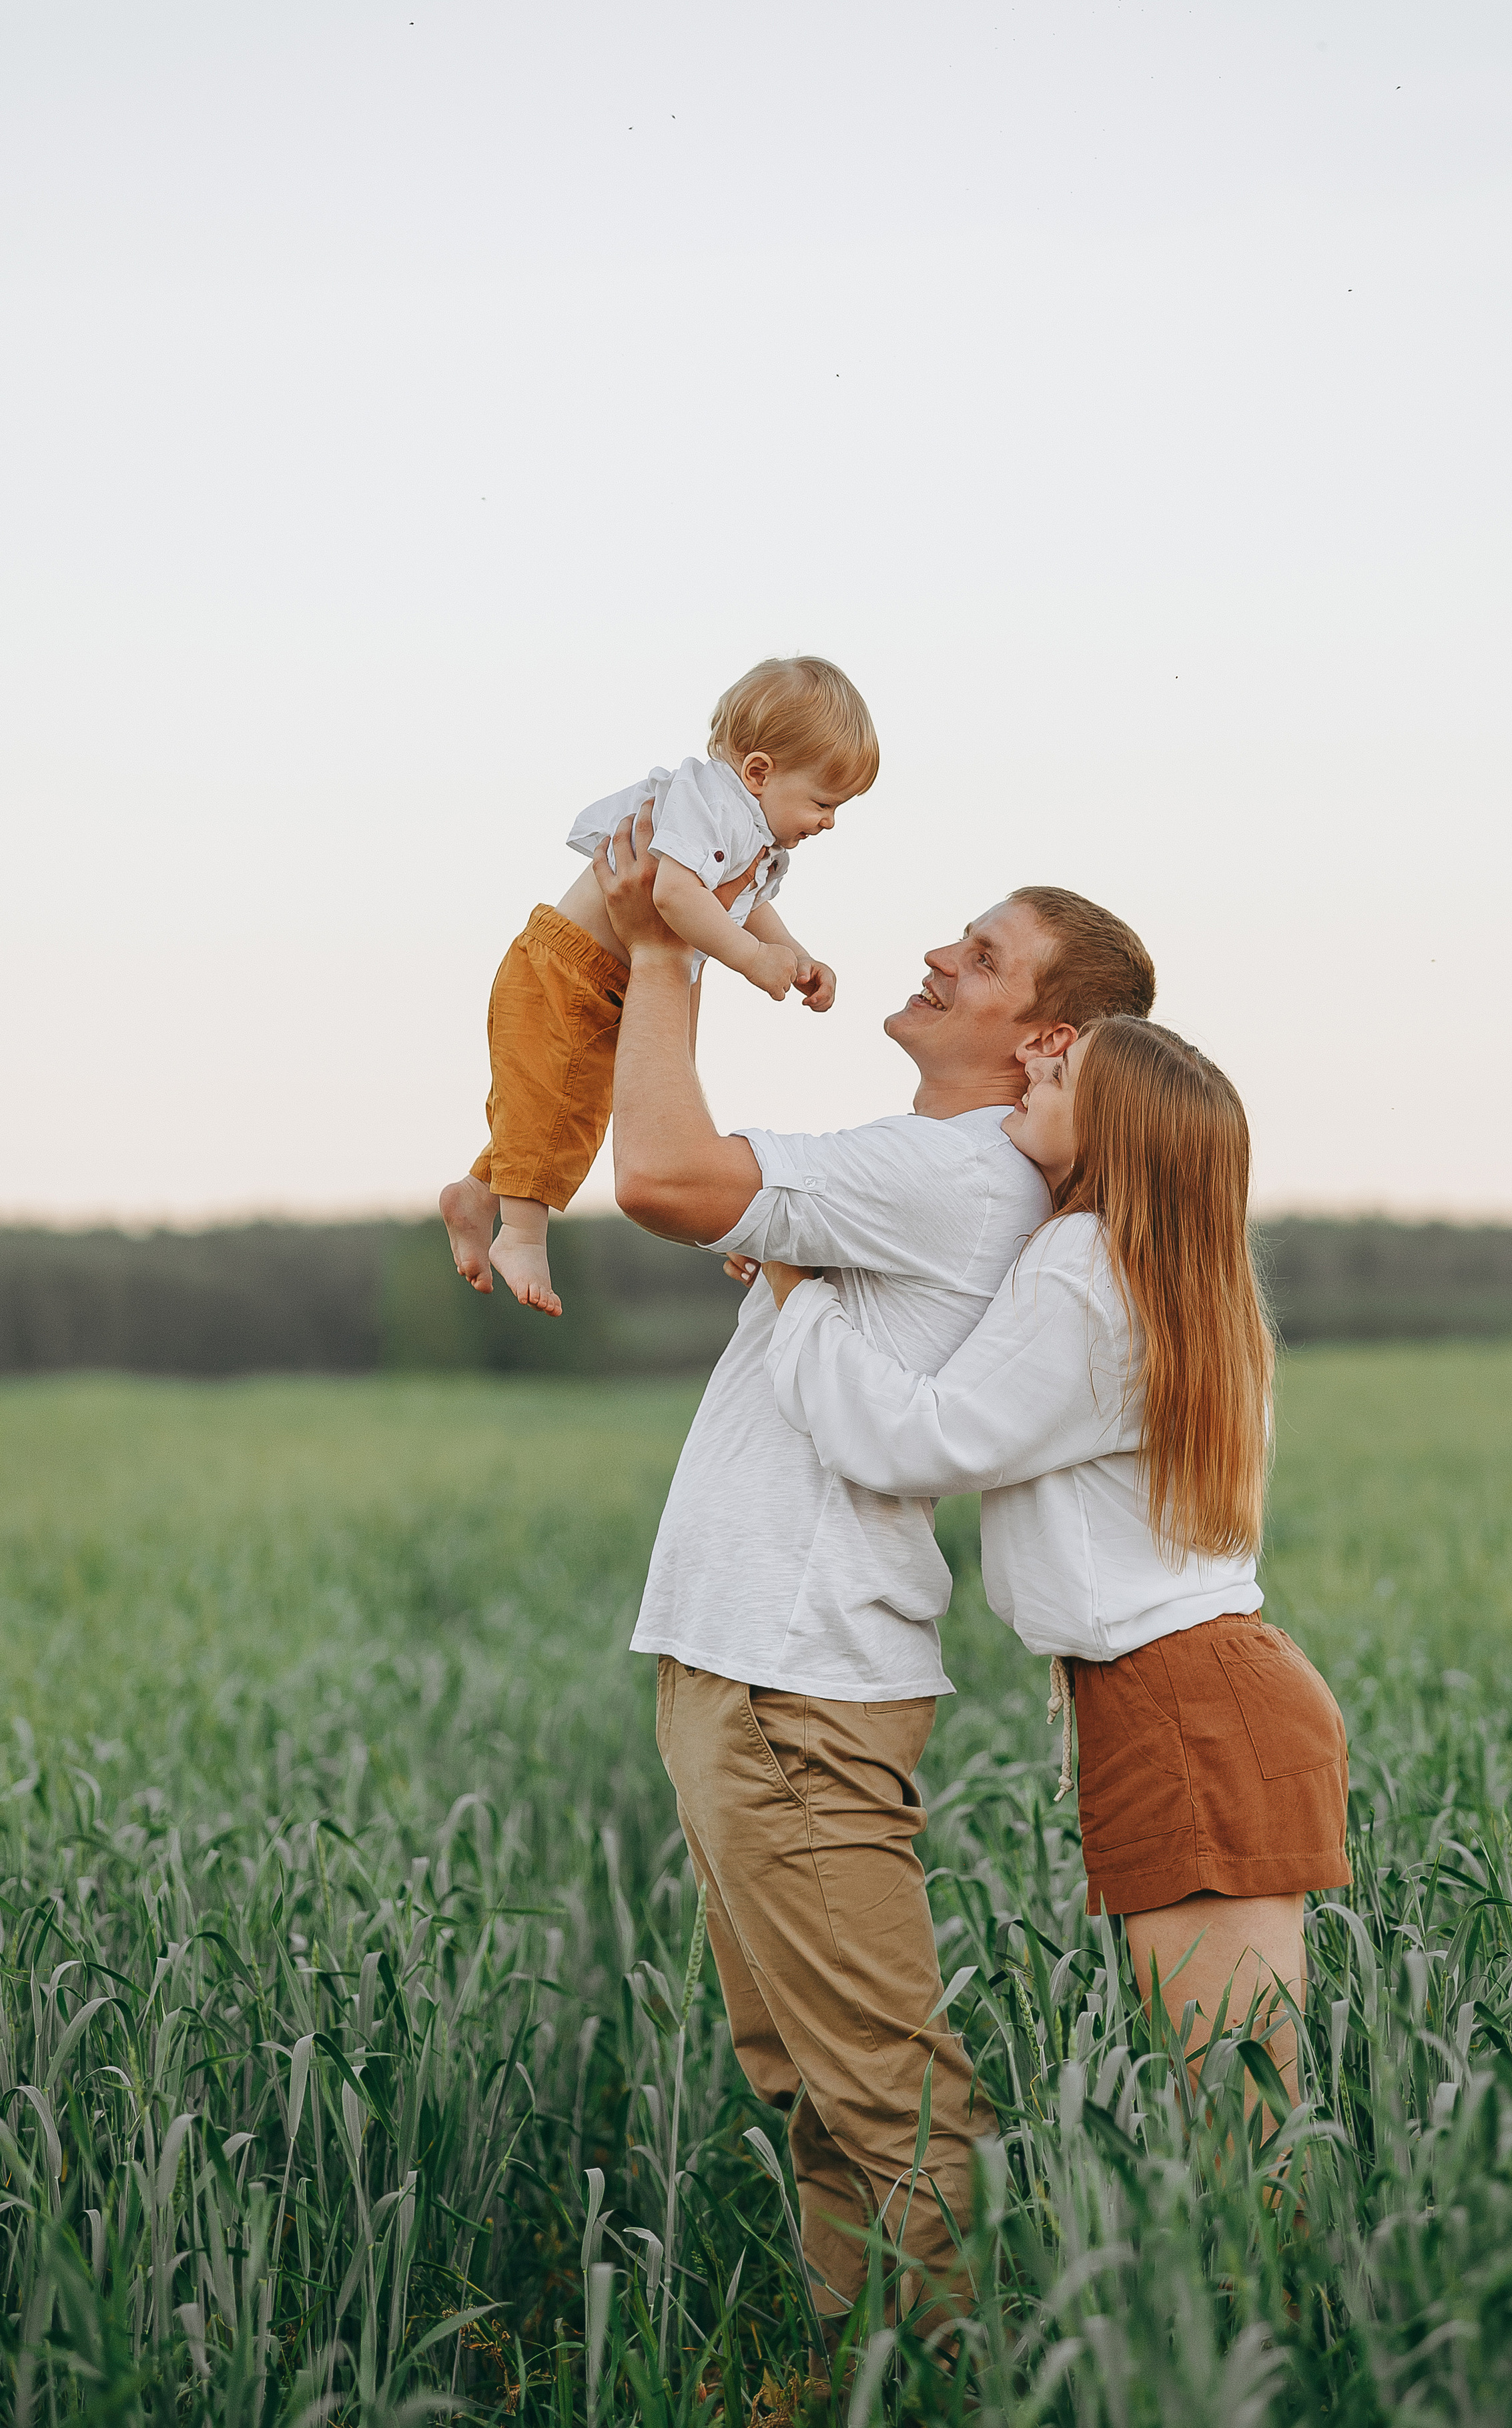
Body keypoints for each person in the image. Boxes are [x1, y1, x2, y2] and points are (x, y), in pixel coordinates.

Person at [591, 808, 1155, 2323]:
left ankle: (932, 2380)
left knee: (883, 2092)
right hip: (759, 1668)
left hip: (795, 1679)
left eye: (979, 957)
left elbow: (653, 1173)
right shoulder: (953, 1179)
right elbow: (711, 1197)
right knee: (815, 2087)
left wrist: (665, 944)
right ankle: (854, 2374)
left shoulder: (952, 1173)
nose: (932, 953)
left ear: (1042, 1036)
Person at [760, 1015, 1351, 2115]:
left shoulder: (1087, 1263)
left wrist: (800, 1298)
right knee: (1247, 2105)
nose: (1033, 1060)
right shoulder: (1185, 1284)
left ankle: (1278, 2294)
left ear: (1116, 1127)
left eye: (1063, 1067)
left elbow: (919, 1442)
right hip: (1204, 1697)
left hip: (1184, 1709)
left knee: (1238, 2113)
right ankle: (1273, 2292)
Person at [438, 655, 877, 1317]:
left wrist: (794, 951)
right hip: (567, 965)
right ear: (760, 772)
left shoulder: (750, 833)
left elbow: (746, 901)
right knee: (553, 1099)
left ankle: (477, 1194)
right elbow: (673, 892)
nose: (831, 821)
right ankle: (522, 1235)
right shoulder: (711, 806)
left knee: (568, 1109)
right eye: (823, 802)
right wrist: (754, 960)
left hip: (616, 978)